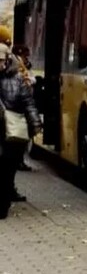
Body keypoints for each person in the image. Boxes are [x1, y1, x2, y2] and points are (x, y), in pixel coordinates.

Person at [0, 43, 43, 219]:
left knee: (7, 170)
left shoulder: (17, 78)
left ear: (7, 60)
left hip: (10, 132)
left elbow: (28, 103)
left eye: (1, 60)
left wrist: (35, 124)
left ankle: (2, 205)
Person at [11, 45, 34, 172]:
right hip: (19, 105)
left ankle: (19, 160)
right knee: (21, 136)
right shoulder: (16, 63)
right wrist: (31, 80)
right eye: (26, 55)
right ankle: (18, 161)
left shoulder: (20, 63)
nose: (27, 58)